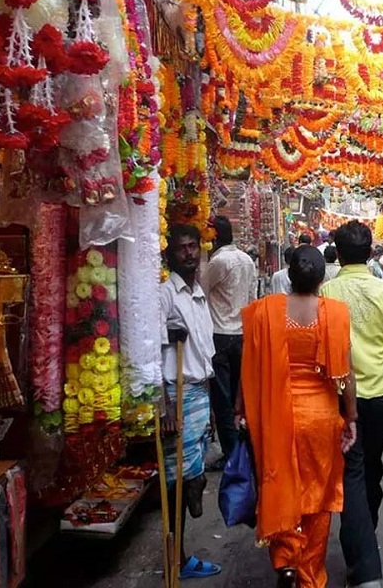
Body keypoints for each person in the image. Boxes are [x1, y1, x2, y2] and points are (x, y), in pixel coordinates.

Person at [238, 246, 358, 588]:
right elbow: (345, 374)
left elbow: (248, 365)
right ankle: (309, 575)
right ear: (322, 278)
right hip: (320, 418)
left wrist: (240, 409)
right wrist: (351, 416)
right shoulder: (334, 313)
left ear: (288, 276)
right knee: (318, 497)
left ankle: (286, 559)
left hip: (275, 415)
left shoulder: (265, 311)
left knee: (279, 484)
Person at [320, 220, 383, 588]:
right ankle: (365, 541)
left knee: (354, 473)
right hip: (380, 397)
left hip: (339, 397)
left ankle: (362, 559)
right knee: (369, 468)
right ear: (369, 252)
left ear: (339, 253)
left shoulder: (327, 292)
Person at [160, 224, 222, 579]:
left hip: (199, 392)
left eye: (193, 246)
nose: (189, 252)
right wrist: (164, 406)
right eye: (182, 247)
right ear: (170, 254)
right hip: (177, 395)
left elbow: (204, 355)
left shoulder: (198, 294)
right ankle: (177, 560)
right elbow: (150, 353)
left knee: (190, 478)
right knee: (178, 483)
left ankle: (180, 557)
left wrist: (210, 406)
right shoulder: (165, 295)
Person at [204, 215, 257, 467]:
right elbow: (252, 297)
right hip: (241, 334)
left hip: (221, 335)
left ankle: (232, 455)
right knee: (239, 396)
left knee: (223, 400)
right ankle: (242, 450)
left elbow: (201, 292)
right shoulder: (246, 260)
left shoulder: (218, 262)